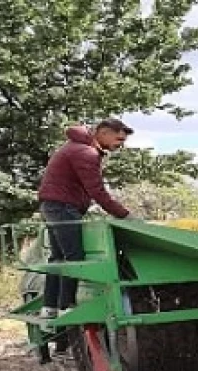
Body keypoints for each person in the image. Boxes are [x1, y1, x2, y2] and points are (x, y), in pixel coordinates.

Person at [36, 118, 135, 319]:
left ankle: (50, 307)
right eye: (119, 140)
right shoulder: (86, 153)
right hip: (63, 207)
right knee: (74, 258)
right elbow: (97, 191)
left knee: (58, 258)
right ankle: (67, 307)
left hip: (52, 205)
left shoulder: (76, 147)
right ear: (104, 132)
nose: (120, 145)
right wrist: (126, 216)